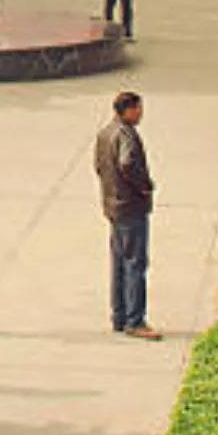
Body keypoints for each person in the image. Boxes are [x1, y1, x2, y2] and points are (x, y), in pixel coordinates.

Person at [95, 92, 161, 340]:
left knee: (119, 263)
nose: (141, 113)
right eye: (139, 109)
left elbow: (100, 166)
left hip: (113, 205)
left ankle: (119, 316)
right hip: (130, 207)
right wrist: (144, 185)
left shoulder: (105, 133)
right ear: (129, 110)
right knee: (135, 263)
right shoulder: (126, 136)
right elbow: (127, 163)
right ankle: (135, 319)